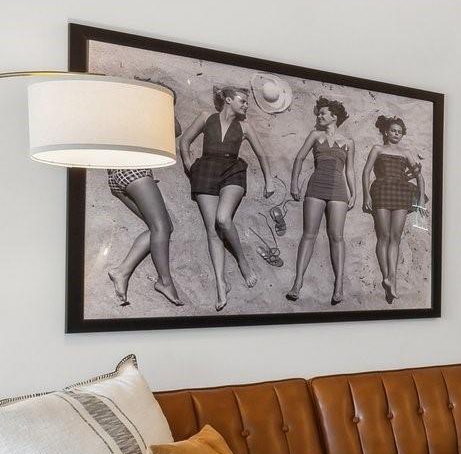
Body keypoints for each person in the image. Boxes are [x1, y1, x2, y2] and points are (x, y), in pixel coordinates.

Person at [179, 84, 272, 311]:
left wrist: (269, 180)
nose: (246, 105)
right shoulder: (205, 117)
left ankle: (242, 260)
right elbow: (185, 142)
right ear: (228, 99)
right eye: (243, 100)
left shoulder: (245, 127)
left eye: (247, 102)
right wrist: (190, 165)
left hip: (233, 171)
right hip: (205, 171)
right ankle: (221, 283)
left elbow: (261, 154)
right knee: (212, 231)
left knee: (222, 219)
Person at [285, 97, 357, 304]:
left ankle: (339, 285)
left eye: (323, 113)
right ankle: (298, 283)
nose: (319, 116)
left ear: (334, 117)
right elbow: (299, 158)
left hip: (339, 189)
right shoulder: (315, 135)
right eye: (319, 113)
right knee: (309, 235)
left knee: (337, 236)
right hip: (316, 186)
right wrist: (294, 183)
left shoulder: (349, 142)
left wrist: (354, 193)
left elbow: (350, 170)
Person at [361, 115, 426, 303]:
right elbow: (366, 171)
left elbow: (419, 177)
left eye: (399, 132)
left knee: (396, 237)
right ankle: (386, 275)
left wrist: (420, 199)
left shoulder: (406, 152)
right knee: (384, 236)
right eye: (393, 131)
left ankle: (392, 278)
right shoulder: (378, 148)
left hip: (401, 192)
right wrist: (366, 195)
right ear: (386, 132)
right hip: (381, 190)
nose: (396, 134)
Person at [103, 168, 183, 308]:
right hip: (133, 170)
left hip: (118, 175)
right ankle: (165, 282)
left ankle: (121, 272)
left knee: (163, 228)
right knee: (161, 228)